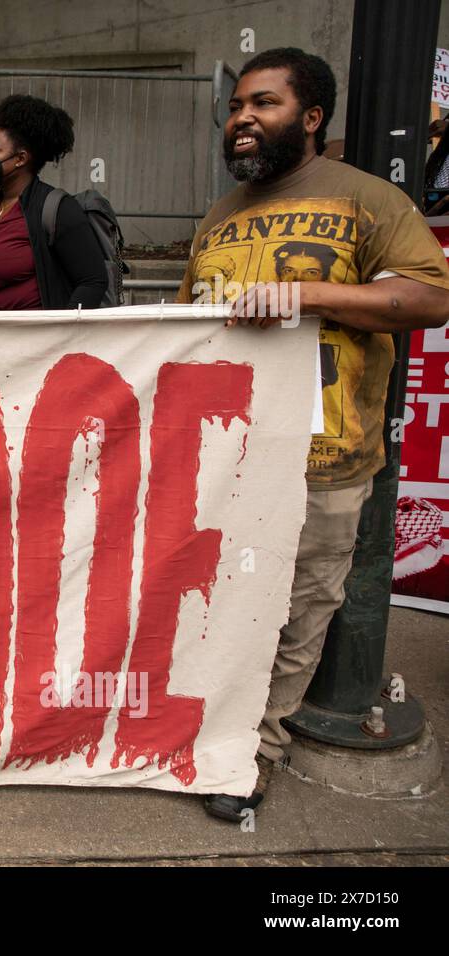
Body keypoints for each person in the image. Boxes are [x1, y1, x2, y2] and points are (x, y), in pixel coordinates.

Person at [178, 47, 449, 821]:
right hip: (228, 459)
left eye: (263, 104)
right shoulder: (220, 215)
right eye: (236, 107)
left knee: (299, 614)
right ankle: (198, 728)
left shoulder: (367, 199)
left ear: (312, 116)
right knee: (220, 606)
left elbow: (430, 297)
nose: (242, 120)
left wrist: (305, 295)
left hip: (325, 459)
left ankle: (253, 753)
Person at [0, 94, 107, 310]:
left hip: (34, 341)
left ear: (20, 159)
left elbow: (93, 281)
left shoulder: (58, 210)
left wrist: (58, 333)